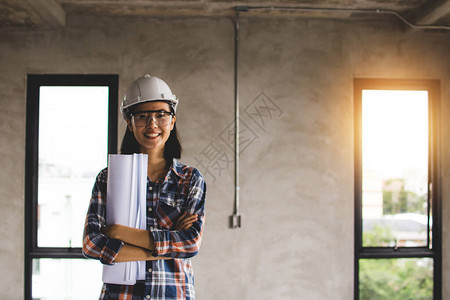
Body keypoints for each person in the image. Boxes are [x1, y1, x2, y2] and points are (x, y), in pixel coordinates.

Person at [83, 74, 206, 300]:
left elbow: (190, 243)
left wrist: (119, 233)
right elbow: (92, 244)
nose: (152, 124)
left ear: (172, 120)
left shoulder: (189, 179)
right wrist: (167, 244)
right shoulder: (107, 178)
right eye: (142, 116)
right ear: (129, 123)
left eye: (161, 115)